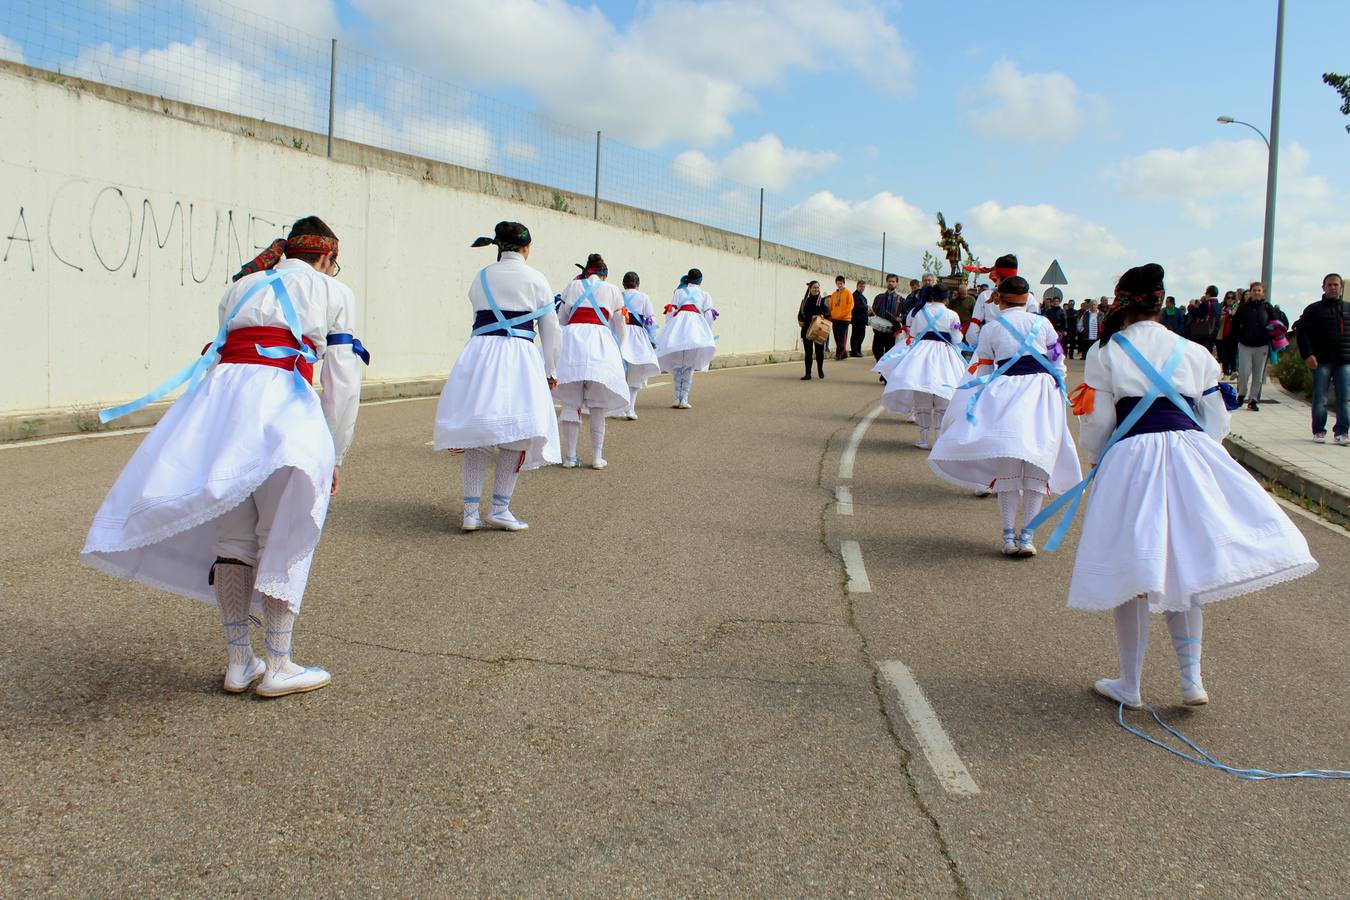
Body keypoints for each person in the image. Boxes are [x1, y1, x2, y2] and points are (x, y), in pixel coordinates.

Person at [82, 215, 368, 698]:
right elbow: (343, 379)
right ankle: (278, 664)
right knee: (286, 533)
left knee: (234, 540)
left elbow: (220, 352)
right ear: (325, 258)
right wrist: (334, 451)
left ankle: (240, 660)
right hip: (284, 414)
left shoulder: (240, 289)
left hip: (219, 414)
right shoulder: (330, 291)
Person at [1064, 263, 1316, 709]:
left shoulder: (1106, 352)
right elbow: (1217, 419)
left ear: (1122, 302)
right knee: (1184, 567)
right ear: (1161, 303)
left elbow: (1100, 421)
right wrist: (1200, 451)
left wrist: (1100, 457)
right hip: (1191, 455)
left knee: (1134, 569)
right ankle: (1191, 680)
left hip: (1134, 457)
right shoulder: (1195, 351)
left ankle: (1131, 683)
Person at [931, 276, 1079, 556]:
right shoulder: (1043, 323)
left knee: (1009, 466)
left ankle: (1009, 536)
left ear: (1000, 298)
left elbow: (984, 370)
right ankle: (1027, 536)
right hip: (1040, 394)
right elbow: (1058, 362)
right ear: (1027, 298)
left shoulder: (991, 328)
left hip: (1005, 395)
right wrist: (1056, 387)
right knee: (1038, 463)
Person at [435, 221, 560, 531]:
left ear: (499, 246)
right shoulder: (537, 279)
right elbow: (551, 330)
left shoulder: (482, 278)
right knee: (517, 433)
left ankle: (470, 513)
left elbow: (478, 315)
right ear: (526, 248)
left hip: (480, 356)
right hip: (519, 355)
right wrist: (551, 369)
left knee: (478, 433)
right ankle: (500, 509)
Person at [555, 253, 630, 468]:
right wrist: (619, 347)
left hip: (572, 342)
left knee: (571, 402)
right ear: (604, 274)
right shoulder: (612, 290)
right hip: (600, 345)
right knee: (598, 405)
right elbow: (619, 323)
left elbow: (562, 319)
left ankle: (569, 457)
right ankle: (597, 457)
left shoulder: (572, 286)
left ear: (586, 271)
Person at [881, 285, 966, 449]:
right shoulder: (951, 314)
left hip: (921, 354)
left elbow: (913, 335)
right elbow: (957, 338)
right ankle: (940, 438)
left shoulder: (919, 313)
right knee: (944, 396)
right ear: (946, 298)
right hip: (945, 355)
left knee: (922, 395)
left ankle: (923, 438)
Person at [1296, 273, 1349, 444]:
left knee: (1345, 397)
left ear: (1341, 287)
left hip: (1345, 361)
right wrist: (1308, 354)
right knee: (1320, 397)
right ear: (1323, 287)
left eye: (1336, 285)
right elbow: (1302, 334)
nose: (1333, 287)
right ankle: (1319, 430)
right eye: (1329, 285)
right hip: (1321, 361)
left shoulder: (1348, 309)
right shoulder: (1313, 310)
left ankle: (1342, 432)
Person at [657, 267, 718, 408]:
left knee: (679, 363)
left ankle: (676, 397)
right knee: (689, 364)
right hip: (695, 328)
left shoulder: (679, 292)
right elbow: (709, 316)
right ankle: (684, 398)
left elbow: (671, 312)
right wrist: (707, 331)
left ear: (688, 279)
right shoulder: (705, 295)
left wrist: (670, 327)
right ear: (700, 281)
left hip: (678, 326)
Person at [614, 271, 661, 420]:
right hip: (637, 336)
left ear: (623, 284)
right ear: (638, 284)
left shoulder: (618, 295)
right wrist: (652, 339)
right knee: (635, 372)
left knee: (620, 372)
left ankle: (620, 408)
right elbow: (650, 320)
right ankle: (630, 409)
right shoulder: (644, 297)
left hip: (619, 334)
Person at [1233, 281, 1275, 410]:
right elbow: (1235, 324)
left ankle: (1253, 399)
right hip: (1245, 344)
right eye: (1254, 290)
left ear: (1263, 293)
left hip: (1262, 345)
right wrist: (1241, 336)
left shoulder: (1268, 307)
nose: (1256, 293)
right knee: (1244, 372)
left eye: (1259, 290)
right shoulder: (1243, 307)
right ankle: (1241, 394)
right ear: (1250, 292)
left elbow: (1276, 322)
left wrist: (1269, 335)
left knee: (1258, 374)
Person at [870, 274, 904, 369]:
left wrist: (901, 318)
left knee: (889, 352)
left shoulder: (900, 299)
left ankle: (885, 374)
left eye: (893, 281)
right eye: (889, 281)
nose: (891, 283)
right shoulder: (879, 297)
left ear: (896, 283)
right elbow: (874, 311)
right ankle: (882, 368)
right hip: (879, 330)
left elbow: (905, 314)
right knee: (876, 350)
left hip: (892, 331)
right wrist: (870, 313)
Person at [798, 280, 830, 380]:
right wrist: (799, 320)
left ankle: (820, 370)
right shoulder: (804, 301)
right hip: (807, 329)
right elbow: (800, 313)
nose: (816, 289)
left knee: (819, 352)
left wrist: (820, 315)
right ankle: (808, 374)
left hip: (819, 329)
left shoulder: (822, 300)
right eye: (814, 287)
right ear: (810, 289)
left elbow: (827, 312)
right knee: (808, 353)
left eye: (817, 287)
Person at [827, 275, 854, 361]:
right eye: (838, 283)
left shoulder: (848, 293)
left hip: (844, 319)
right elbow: (830, 306)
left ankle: (839, 354)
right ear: (836, 283)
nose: (839, 285)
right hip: (835, 319)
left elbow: (850, 305)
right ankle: (844, 353)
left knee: (841, 337)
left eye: (841, 283)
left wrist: (843, 314)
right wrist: (831, 314)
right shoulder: (834, 294)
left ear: (844, 283)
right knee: (836, 336)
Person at [849, 279, 869, 357]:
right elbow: (856, 307)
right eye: (861, 286)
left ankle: (858, 350)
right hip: (856, 319)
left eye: (864, 287)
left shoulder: (863, 297)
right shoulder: (854, 295)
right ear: (857, 286)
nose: (862, 288)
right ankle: (854, 351)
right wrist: (866, 307)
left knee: (861, 336)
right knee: (855, 336)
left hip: (862, 320)